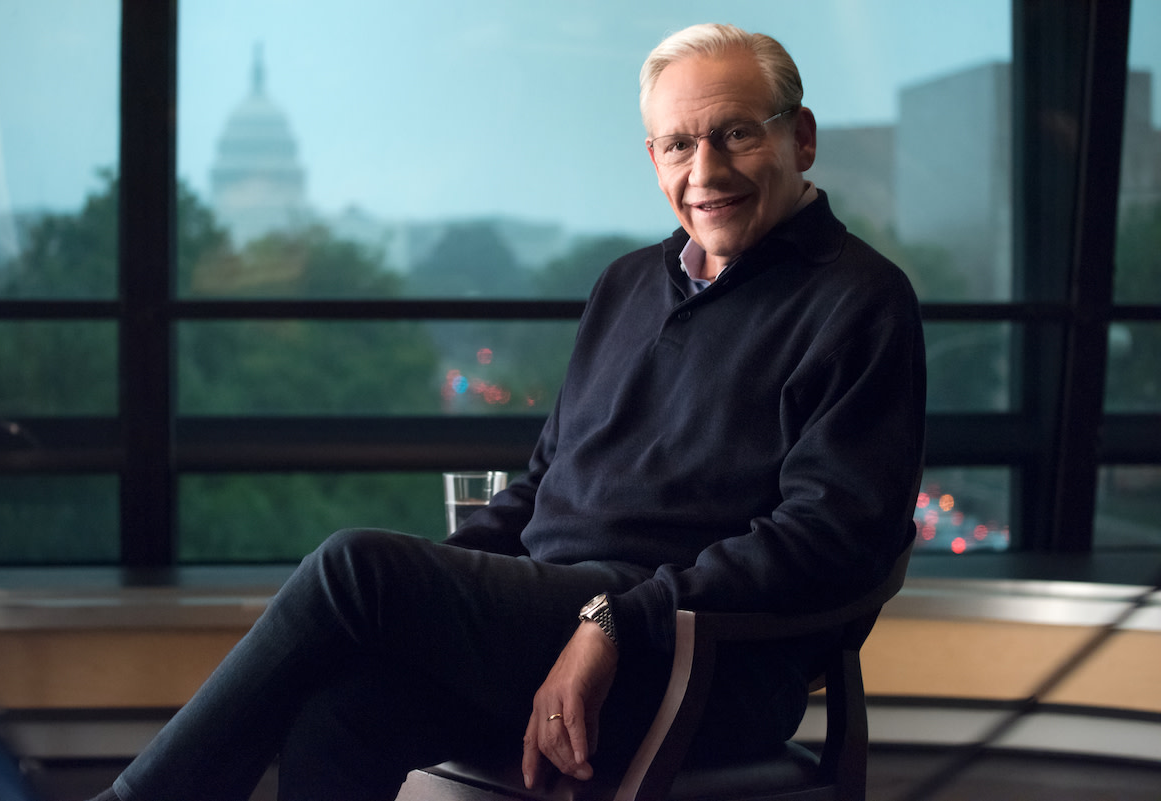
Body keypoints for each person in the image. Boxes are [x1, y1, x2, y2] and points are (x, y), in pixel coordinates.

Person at [91, 22, 925, 801]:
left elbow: (826, 540)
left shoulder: (861, 300)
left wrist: (613, 622)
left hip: (694, 659)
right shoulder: (627, 284)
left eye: (736, 133)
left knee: (356, 567)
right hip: (551, 617)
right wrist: (444, 595)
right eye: (678, 143)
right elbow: (540, 485)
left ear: (800, 137)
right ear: (653, 157)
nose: (705, 171)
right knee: (349, 702)